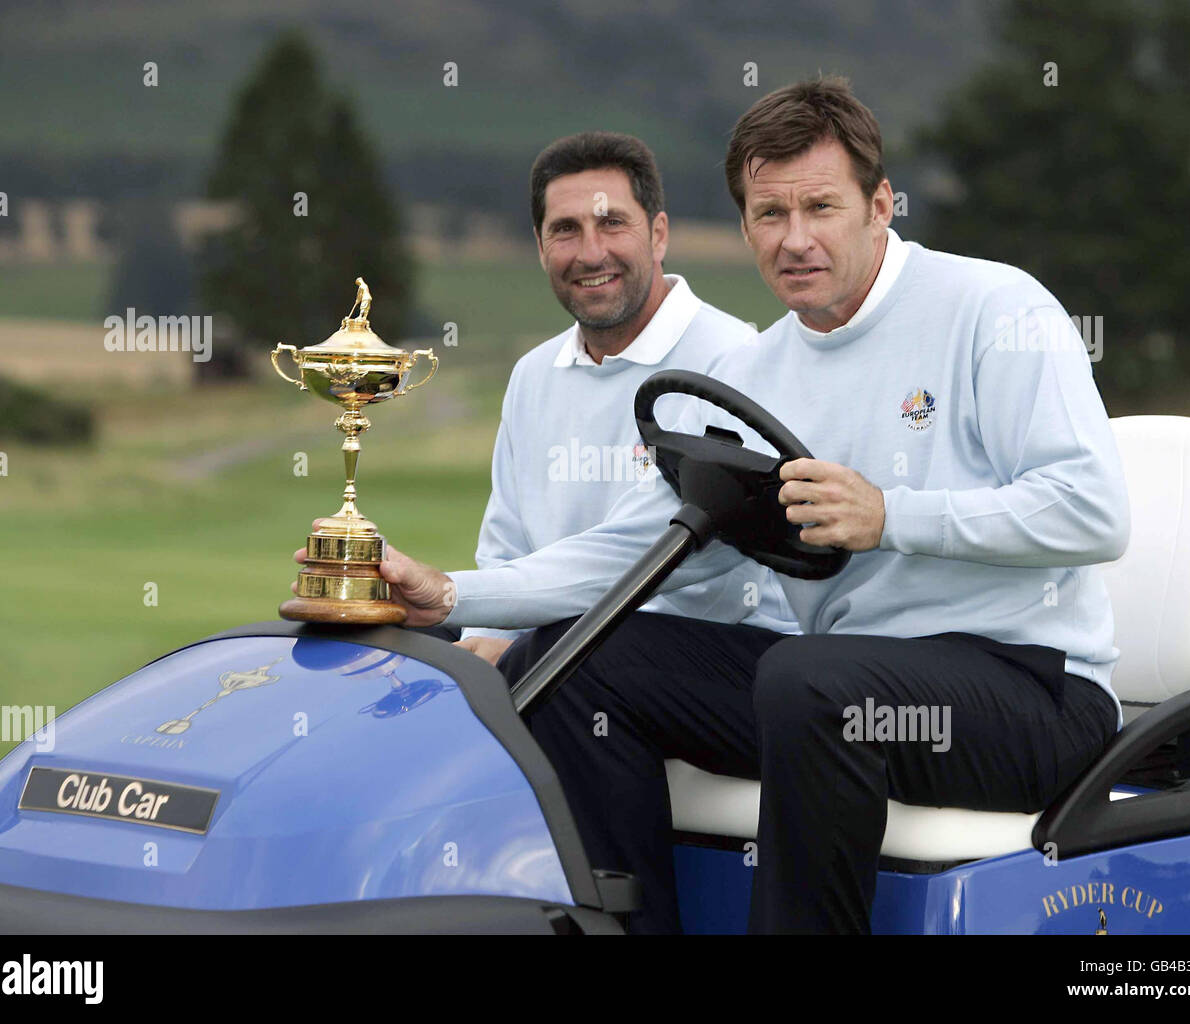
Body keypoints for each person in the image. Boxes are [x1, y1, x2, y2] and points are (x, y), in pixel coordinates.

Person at [312, 76, 1131, 934]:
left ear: (881, 205)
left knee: (812, 681)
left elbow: (1091, 512)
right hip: (833, 685)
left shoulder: (995, 308)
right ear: (742, 227)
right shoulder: (750, 374)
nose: (796, 239)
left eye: (822, 207)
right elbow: (629, 554)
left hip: (1031, 697)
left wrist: (891, 515)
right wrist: (449, 596)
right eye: (769, 216)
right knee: (580, 661)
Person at [452, 131, 797, 666]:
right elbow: (505, 547)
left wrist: (500, 633)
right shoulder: (533, 374)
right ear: (541, 247)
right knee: (391, 646)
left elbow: (666, 564)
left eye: (612, 223)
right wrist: (479, 638)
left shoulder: (737, 358)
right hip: (563, 642)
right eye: (566, 230)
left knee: (571, 657)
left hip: (715, 654)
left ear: (658, 234)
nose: (592, 253)